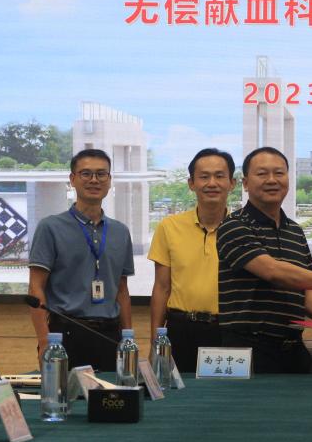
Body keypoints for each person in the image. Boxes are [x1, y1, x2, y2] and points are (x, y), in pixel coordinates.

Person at [215, 146, 312, 373]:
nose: (272, 180)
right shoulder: (234, 225)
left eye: (279, 173)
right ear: (245, 183)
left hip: (293, 348)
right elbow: (273, 271)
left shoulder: (295, 231)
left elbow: (304, 287)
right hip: (248, 350)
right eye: (262, 173)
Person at [28, 149, 133, 370]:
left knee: (113, 392)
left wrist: (127, 339)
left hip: (109, 335)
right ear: (72, 179)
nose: (94, 180)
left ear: (109, 180)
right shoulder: (50, 227)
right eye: (86, 173)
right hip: (65, 335)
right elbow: (36, 288)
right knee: (63, 393)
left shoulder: (120, 232)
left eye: (101, 174)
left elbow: (122, 290)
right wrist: (44, 341)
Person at [148, 148, 235, 373]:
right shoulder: (169, 227)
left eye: (219, 176)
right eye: (204, 177)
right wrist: (156, 341)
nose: (212, 183)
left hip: (229, 331)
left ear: (232, 183)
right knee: (177, 391)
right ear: (191, 183)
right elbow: (162, 287)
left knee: (228, 391)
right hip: (181, 329)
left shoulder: (242, 229)